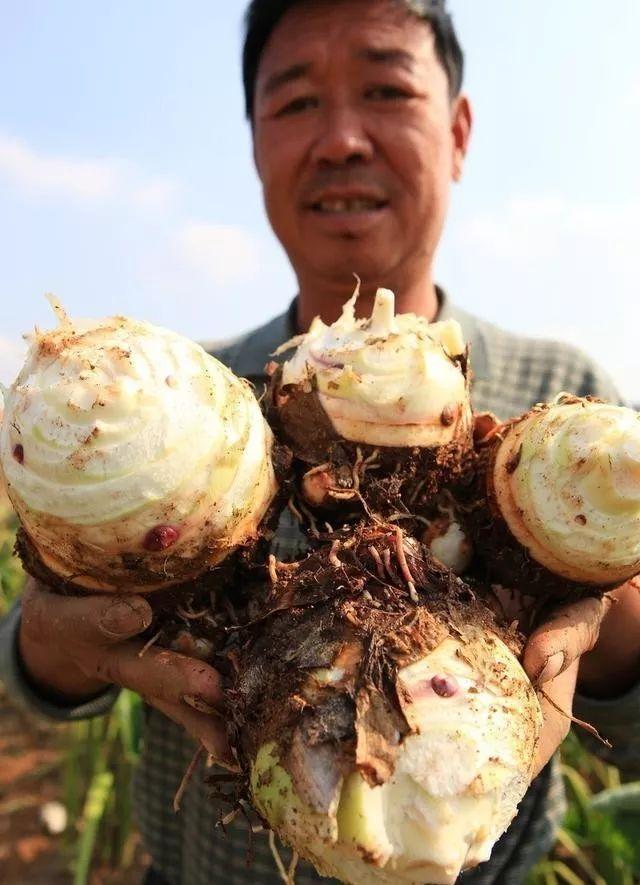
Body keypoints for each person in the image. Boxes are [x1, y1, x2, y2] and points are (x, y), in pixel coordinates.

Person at [1, 2, 639, 883]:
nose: (341, 138)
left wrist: (605, 613)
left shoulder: (570, 412)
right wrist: (53, 644)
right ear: (255, 145)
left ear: (458, 131)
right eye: (297, 103)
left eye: (384, 90)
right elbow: (29, 678)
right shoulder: (189, 402)